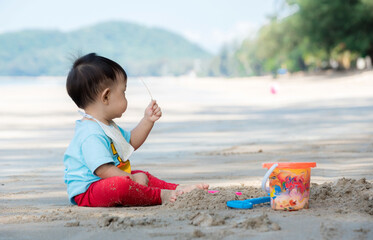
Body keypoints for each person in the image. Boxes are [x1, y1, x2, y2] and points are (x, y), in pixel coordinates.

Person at [63, 53, 208, 207]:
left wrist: (147, 120)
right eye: (123, 92)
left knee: (143, 175)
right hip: (89, 190)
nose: (125, 97)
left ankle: (178, 189)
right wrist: (131, 179)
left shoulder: (106, 125)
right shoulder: (90, 133)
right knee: (121, 186)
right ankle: (161, 195)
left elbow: (130, 142)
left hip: (105, 182)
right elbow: (103, 170)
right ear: (106, 97)